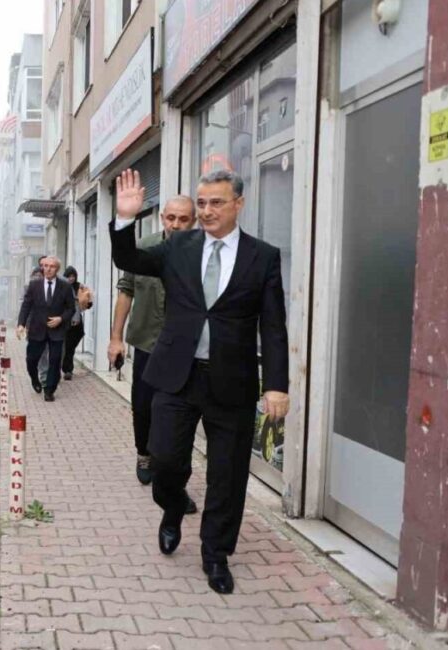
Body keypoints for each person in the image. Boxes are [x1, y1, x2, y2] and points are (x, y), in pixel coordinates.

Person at [109, 168, 289, 595]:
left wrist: (276, 384)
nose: (206, 211)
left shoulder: (262, 257)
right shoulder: (178, 247)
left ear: (238, 204)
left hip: (232, 382)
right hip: (176, 376)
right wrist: (125, 220)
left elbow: (274, 325)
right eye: (202, 203)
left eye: (216, 203)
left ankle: (215, 553)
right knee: (166, 461)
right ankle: (172, 508)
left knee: (228, 476)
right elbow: (129, 261)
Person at [108, 196, 201, 521]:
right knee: (143, 406)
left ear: (194, 221)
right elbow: (125, 291)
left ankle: (175, 488)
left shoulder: (203, 254)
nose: (176, 225)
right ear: (162, 218)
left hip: (186, 350)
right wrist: (116, 338)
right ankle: (143, 453)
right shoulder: (143, 248)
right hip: (148, 343)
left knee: (180, 421)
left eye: (184, 219)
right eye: (171, 218)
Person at [16, 256, 75, 403]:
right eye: (46, 266)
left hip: (57, 330)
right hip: (37, 329)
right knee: (31, 360)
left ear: (57, 269)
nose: (48, 269)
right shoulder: (34, 285)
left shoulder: (65, 286)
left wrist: (61, 319)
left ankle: (49, 390)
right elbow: (26, 306)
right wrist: (21, 324)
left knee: (55, 361)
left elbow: (71, 308)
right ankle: (35, 380)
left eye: (52, 266)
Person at [60, 267, 92, 381]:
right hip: (65, 321)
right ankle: (67, 370)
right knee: (66, 347)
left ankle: (66, 368)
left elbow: (88, 304)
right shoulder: (61, 287)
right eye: (69, 276)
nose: (71, 278)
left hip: (77, 322)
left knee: (71, 346)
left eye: (73, 276)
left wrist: (86, 300)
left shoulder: (80, 287)